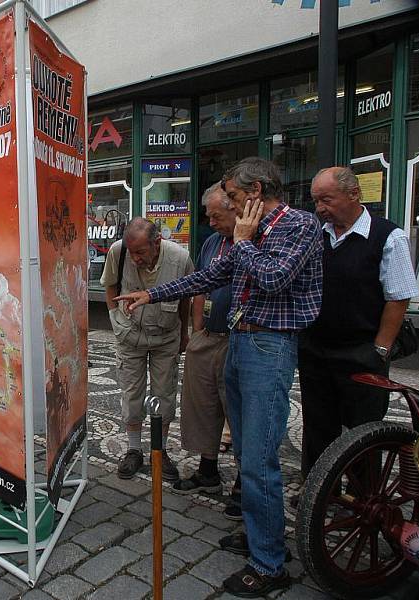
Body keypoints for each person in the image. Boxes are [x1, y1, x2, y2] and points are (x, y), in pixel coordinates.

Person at [115, 157, 323, 597]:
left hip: (270, 345)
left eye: (231, 195)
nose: (226, 203)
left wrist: (244, 239)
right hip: (240, 341)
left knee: (260, 458)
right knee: (247, 450)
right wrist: (152, 293)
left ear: (257, 191)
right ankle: (257, 535)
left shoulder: (297, 226)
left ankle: (269, 563)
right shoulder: (246, 236)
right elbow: (210, 277)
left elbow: (272, 278)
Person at [299, 167, 418, 478]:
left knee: (363, 430)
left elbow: (399, 297)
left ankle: (363, 495)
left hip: (361, 351)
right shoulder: (315, 234)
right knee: (317, 426)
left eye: (326, 199)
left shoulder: (387, 236)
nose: (320, 208)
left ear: (354, 194)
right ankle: (320, 491)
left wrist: (380, 349)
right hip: (316, 348)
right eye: (315, 201)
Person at [101, 217, 192, 482]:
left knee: (165, 393)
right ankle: (133, 449)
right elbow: (109, 286)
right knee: (131, 392)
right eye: (132, 252)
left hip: (166, 336)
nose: (136, 258)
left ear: (157, 242)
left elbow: (187, 296)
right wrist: (115, 322)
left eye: (141, 252)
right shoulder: (118, 252)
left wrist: (184, 332)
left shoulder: (180, 258)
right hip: (130, 336)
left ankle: (159, 451)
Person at [172, 184, 236, 496]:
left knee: (238, 413)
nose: (210, 221)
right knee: (202, 408)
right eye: (208, 215)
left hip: (238, 341)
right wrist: (197, 330)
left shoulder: (251, 242)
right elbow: (199, 284)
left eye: (216, 215)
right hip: (207, 337)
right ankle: (207, 470)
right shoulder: (212, 242)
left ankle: (243, 485)